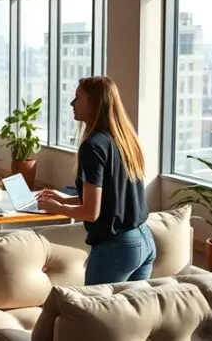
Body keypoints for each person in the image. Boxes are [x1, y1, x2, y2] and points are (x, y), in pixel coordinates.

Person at [38, 76, 155, 286]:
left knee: (93, 315)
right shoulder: (125, 139)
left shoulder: (93, 146)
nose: (72, 104)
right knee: (127, 316)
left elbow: (91, 212)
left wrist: (57, 208)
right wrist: (64, 200)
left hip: (117, 247)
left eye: (77, 98)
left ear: (93, 102)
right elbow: (111, 198)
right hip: (143, 240)